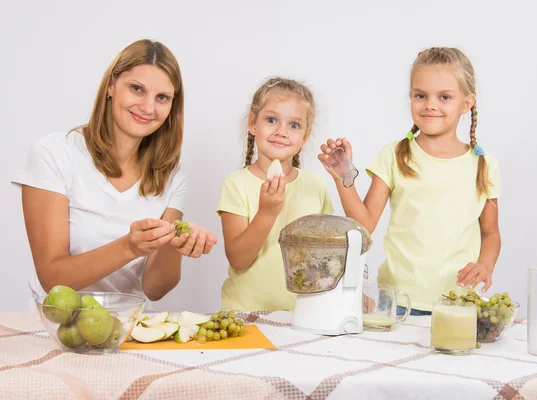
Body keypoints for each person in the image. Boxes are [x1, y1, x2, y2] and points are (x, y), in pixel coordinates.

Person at [13, 39, 217, 309]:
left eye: (162, 98)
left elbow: (154, 289)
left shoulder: (172, 172)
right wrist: (130, 247)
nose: (147, 107)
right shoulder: (54, 153)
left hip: (128, 329)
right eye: (136, 89)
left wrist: (172, 244)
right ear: (111, 85)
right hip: (58, 326)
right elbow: (52, 278)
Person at [319, 47, 501, 315]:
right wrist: (342, 177)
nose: (430, 104)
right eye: (420, 95)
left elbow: (491, 233)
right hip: (398, 302)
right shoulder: (394, 155)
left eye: (444, 97)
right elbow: (365, 224)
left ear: (466, 103)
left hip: (459, 304)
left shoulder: (483, 165)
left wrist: (485, 265)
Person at [217, 77, 333, 311]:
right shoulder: (236, 184)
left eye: (294, 125)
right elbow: (238, 260)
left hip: (301, 314)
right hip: (245, 314)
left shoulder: (315, 186)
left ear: (305, 136)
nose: (282, 132)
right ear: (253, 123)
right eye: (271, 120)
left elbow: (328, 258)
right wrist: (267, 213)